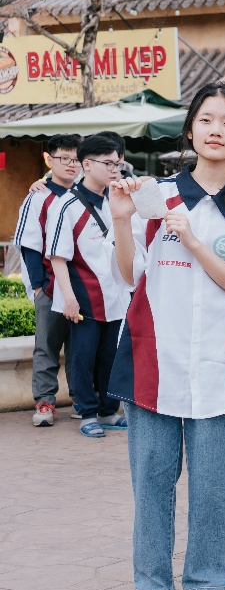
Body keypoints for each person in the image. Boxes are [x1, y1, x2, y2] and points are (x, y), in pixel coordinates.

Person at [107, 82, 225, 590]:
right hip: (152, 360)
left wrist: (194, 241)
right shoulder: (156, 194)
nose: (216, 130)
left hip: (220, 362)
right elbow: (129, 275)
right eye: (207, 120)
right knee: (151, 481)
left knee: (212, 486)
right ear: (191, 129)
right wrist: (122, 219)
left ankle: (207, 587)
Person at [47, 134, 132, 438]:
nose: (114, 169)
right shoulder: (66, 205)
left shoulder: (115, 200)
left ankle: (108, 410)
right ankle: (86, 412)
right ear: (86, 164)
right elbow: (57, 256)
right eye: (108, 163)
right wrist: (69, 298)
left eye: (117, 164)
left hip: (116, 294)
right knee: (83, 357)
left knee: (111, 355)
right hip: (83, 294)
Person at [15, 134, 81, 427]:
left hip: (83, 285)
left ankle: (82, 399)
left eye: (76, 159)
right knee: (47, 346)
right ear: (49, 159)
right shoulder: (38, 197)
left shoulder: (86, 194)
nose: (70, 164)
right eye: (64, 158)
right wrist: (39, 286)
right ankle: (45, 402)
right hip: (50, 286)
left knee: (82, 347)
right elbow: (29, 244)